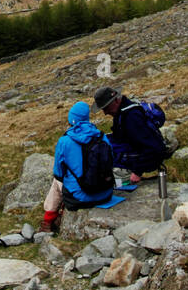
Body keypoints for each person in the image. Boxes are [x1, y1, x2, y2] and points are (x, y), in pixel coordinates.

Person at [42, 101, 114, 233]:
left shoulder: (65, 141)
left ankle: (48, 220)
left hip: (79, 198)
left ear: (71, 119)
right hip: (106, 193)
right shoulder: (102, 137)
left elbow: (58, 173)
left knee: (57, 182)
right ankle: (58, 216)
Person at [94, 86, 169, 184]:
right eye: (103, 108)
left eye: (106, 107)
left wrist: (137, 172)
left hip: (142, 161)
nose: (105, 112)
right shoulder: (122, 112)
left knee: (105, 175)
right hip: (134, 156)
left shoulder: (131, 118)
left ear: (116, 100)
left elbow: (154, 148)